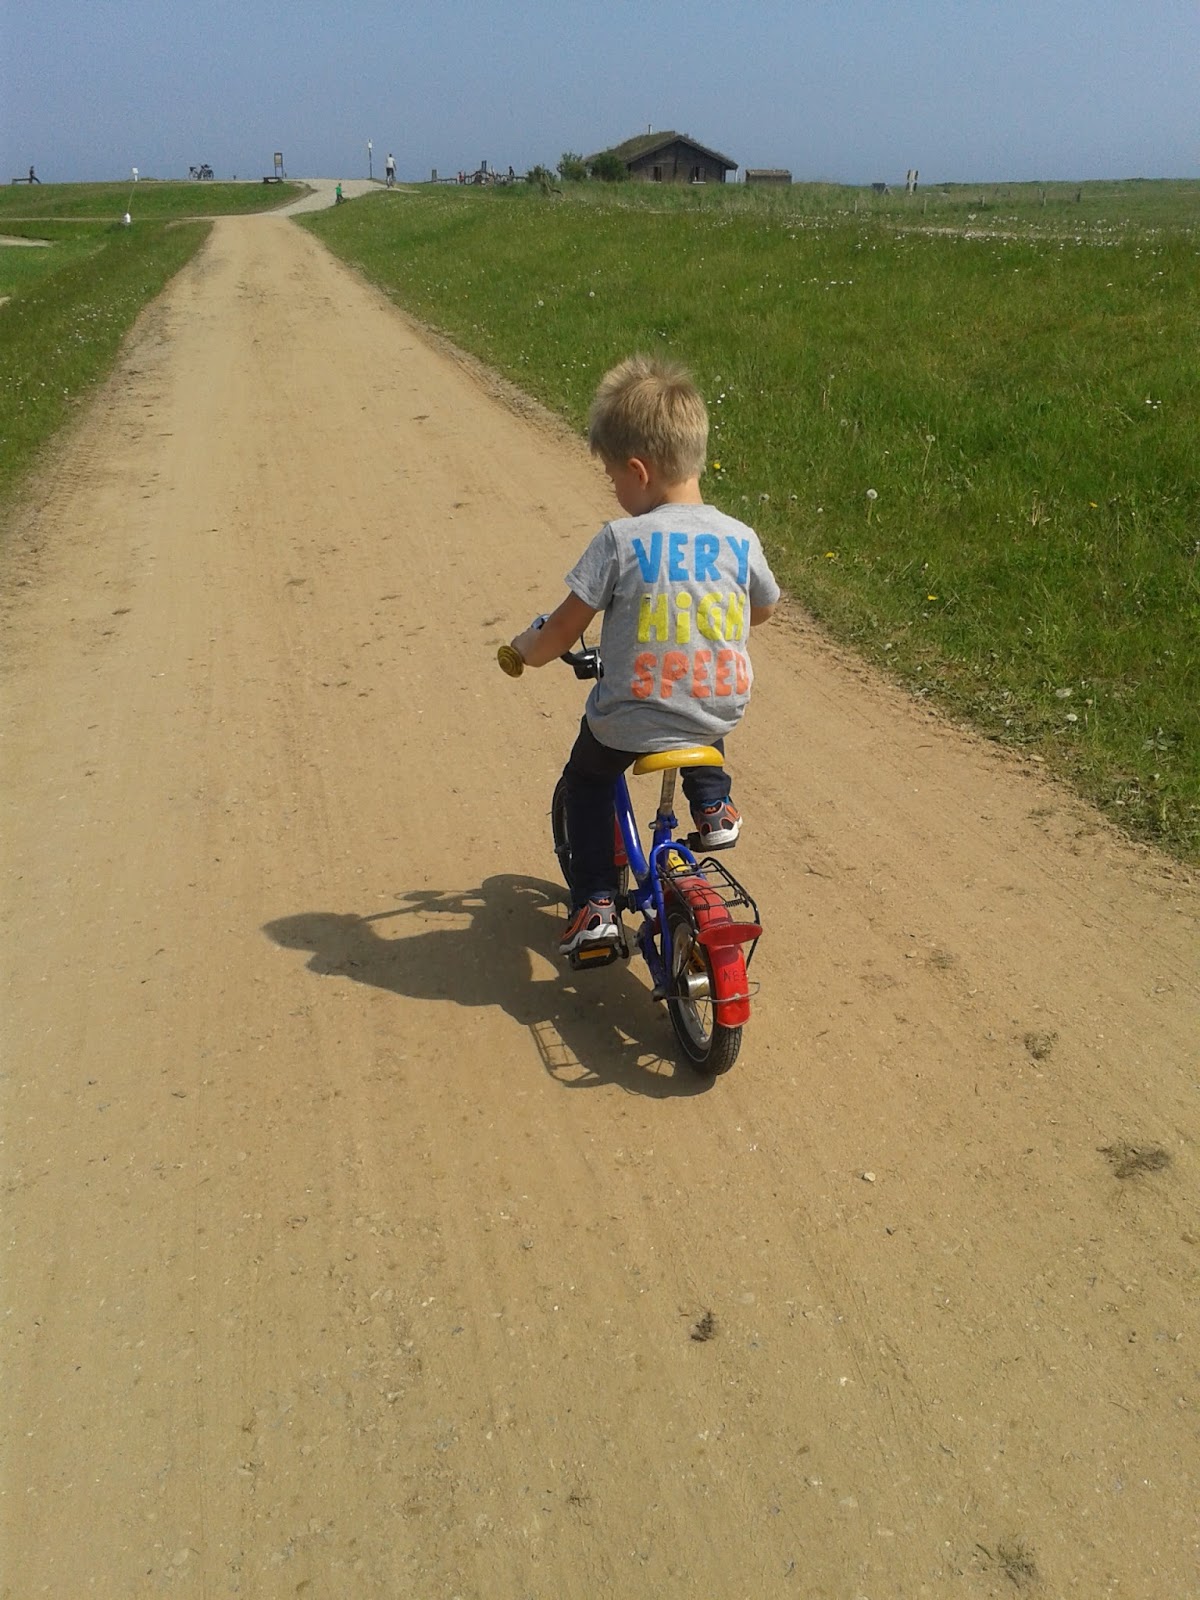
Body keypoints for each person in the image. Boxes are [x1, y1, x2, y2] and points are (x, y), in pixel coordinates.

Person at [508, 355, 779, 955]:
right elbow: (761, 608)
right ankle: (711, 806)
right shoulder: (740, 536)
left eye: (611, 476)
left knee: (585, 778)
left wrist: (528, 649)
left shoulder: (619, 540)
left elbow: (557, 634)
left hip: (632, 716)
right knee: (701, 696)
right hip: (718, 705)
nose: (612, 488)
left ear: (638, 471)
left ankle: (597, 902)